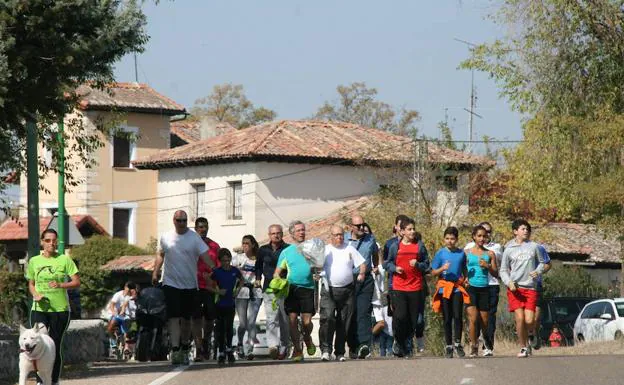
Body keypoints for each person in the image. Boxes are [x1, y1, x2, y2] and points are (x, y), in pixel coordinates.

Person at [151, 210, 216, 365]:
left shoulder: (194, 238)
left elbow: (205, 256)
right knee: (173, 317)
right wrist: (155, 272)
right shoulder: (166, 237)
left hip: (190, 285)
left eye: (184, 220)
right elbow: (161, 254)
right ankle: (175, 349)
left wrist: (216, 271)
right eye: (179, 220)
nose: (181, 223)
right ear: (173, 220)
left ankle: (185, 347)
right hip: (171, 282)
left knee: (186, 319)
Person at [26, 228, 80, 385]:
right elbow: (31, 284)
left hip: (60, 309)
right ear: (42, 242)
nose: (51, 243)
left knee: (54, 345)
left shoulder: (64, 260)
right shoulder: (34, 261)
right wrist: (35, 294)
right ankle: (40, 381)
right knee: (38, 343)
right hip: (39, 309)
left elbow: (76, 282)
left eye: (54, 241)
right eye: (48, 240)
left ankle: (54, 380)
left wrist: (61, 284)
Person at [500, 219, 548, 358]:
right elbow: (503, 270)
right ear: (515, 231)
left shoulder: (534, 247)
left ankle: (531, 335)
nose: (526, 231)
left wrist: (538, 271)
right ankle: (523, 346)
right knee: (520, 319)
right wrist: (508, 282)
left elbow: (542, 262)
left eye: (527, 229)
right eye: (523, 229)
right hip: (515, 288)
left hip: (530, 288)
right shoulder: (508, 249)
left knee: (529, 321)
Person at [319, 224, 366, 362]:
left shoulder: (349, 248)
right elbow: (316, 265)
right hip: (329, 290)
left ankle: (339, 352)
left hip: (347, 290)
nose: (339, 237)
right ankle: (325, 350)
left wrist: (361, 274)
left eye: (341, 234)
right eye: (336, 235)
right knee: (327, 318)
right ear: (331, 236)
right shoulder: (326, 250)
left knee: (344, 321)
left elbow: (362, 263)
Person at [385, 217, 429, 357]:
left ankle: (407, 346)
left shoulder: (419, 246)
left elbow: (427, 265)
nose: (412, 231)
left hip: (415, 287)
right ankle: (398, 340)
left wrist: (418, 264)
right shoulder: (395, 247)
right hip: (399, 287)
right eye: (409, 229)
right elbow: (387, 263)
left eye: (413, 229)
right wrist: (394, 268)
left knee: (413, 319)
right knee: (400, 316)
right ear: (402, 231)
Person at [274, 220, 317, 362]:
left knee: (306, 323)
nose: (301, 232)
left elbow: (319, 266)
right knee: (292, 320)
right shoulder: (286, 252)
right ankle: (298, 350)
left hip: (308, 288)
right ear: (292, 234)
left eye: (303, 230)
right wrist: (278, 283)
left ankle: (307, 338)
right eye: (298, 230)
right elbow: (277, 272)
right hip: (291, 289)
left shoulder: (312, 249)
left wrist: (317, 272)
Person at [463, 221, 503, 352]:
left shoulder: (490, 254)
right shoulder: (467, 253)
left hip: (485, 288)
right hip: (471, 288)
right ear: (474, 236)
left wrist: (488, 266)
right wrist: (464, 278)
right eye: (479, 236)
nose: (482, 239)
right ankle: (474, 345)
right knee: (473, 318)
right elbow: (460, 268)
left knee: (485, 320)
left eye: (484, 236)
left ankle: (485, 341)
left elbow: (496, 273)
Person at [431, 226, 469, 359]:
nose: (449, 241)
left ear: (456, 239)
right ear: (444, 239)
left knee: (458, 316)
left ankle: (458, 343)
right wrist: (442, 268)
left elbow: (464, 267)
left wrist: (466, 278)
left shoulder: (461, 253)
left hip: (457, 287)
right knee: (447, 317)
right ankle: (448, 345)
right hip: (444, 287)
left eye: (452, 239)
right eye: (447, 238)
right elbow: (432, 272)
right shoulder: (440, 253)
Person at [345, 214, 379, 359]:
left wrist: (376, 266)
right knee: (351, 313)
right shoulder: (344, 239)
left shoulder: (370, 239)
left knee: (364, 311)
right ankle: (353, 345)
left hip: (365, 279)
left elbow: (375, 254)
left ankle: (364, 345)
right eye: (358, 226)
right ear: (351, 227)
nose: (361, 228)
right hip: (348, 280)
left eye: (362, 225)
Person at [256, 224, 290, 360]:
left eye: (278, 233)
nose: (276, 235)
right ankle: (273, 346)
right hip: (268, 288)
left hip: (283, 288)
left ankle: (284, 346)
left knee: (283, 319)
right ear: (269, 235)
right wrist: (258, 279)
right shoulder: (263, 250)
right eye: (273, 233)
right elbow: (258, 266)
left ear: (282, 234)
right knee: (271, 318)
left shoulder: (288, 249)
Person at [191, 217, 220, 361]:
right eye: (200, 227)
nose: (203, 229)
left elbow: (219, 266)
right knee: (196, 319)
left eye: (205, 227)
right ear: (195, 228)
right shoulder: (190, 244)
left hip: (210, 288)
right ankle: (199, 348)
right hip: (193, 286)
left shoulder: (214, 246)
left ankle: (206, 341)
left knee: (209, 319)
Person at [211, 248, 243, 365]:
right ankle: (221, 351)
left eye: (228, 260)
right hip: (219, 303)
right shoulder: (217, 272)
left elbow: (242, 280)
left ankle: (229, 349)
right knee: (220, 328)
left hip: (230, 303)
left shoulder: (235, 270)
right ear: (220, 261)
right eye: (224, 261)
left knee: (229, 327)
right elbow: (208, 285)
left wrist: (237, 291)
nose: (226, 263)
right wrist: (218, 292)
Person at [233, 235, 263, 360]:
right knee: (243, 323)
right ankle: (240, 344)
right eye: (243, 243)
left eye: (247, 243)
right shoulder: (238, 258)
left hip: (255, 292)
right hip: (241, 292)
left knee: (251, 322)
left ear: (253, 245)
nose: (245, 246)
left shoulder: (259, 260)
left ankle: (250, 349)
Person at [529, 244, 552, 350]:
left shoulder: (538, 247)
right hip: (519, 286)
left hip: (536, 285)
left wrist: (539, 272)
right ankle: (525, 343)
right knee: (523, 318)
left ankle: (534, 333)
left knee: (536, 318)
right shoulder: (512, 247)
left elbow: (548, 264)